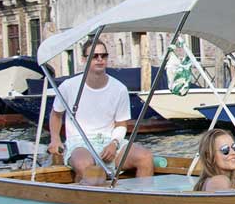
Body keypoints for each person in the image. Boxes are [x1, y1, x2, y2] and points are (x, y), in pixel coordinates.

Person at [47, 39, 155, 184]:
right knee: (89, 168)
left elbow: (121, 124)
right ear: (84, 59)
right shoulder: (68, 86)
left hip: (110, 142)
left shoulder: (119, 89)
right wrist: (55, 139)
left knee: (145, 157)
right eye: (94, 56)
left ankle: (143, 201)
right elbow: (56, 114)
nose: (99, 59)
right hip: (79, 143)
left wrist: (114, 143)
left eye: (103, 56)